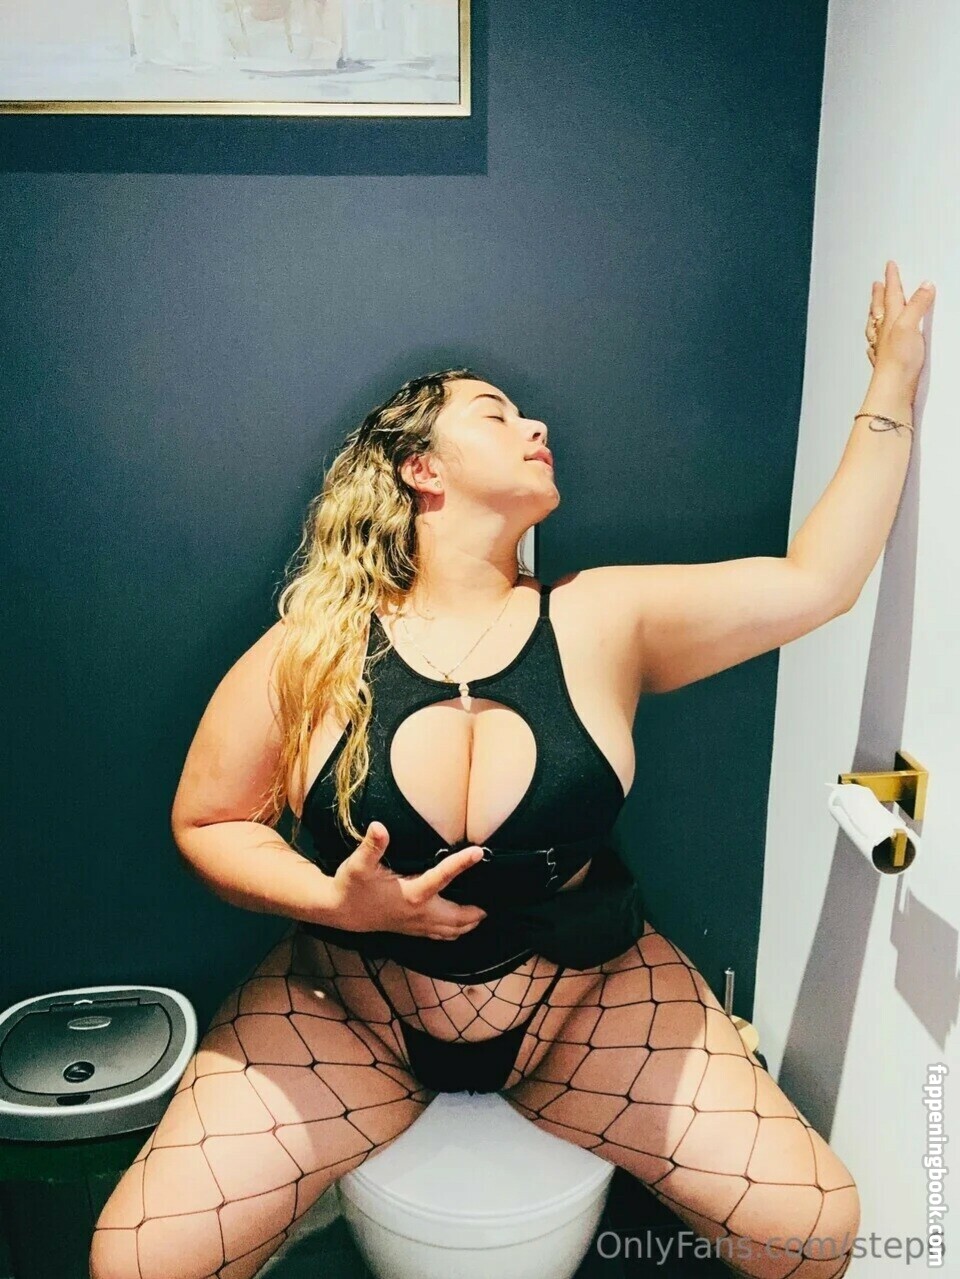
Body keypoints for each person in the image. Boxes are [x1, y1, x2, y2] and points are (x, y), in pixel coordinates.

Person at [90, 366, 866, 1279]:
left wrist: (888, 387)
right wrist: (332, 900)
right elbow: (209, 820)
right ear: (422, 468)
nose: (538, 426)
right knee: (136, 1264)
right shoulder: (313, 645)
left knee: (814, 1231)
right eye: (497, 413)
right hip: (353, 1017)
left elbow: (819, 582)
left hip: (579, 1010)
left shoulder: (604, 613)